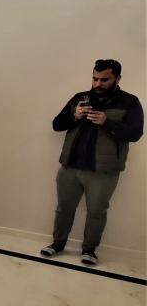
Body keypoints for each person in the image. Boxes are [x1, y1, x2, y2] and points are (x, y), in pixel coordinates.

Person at [40, 59, 143, 266]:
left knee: (96, 212)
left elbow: (135, 134)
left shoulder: (130, 102)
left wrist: (107, 122)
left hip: (103, 171)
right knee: (64, 208)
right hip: (70, 166)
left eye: (104, 80)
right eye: (95, 78)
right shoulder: (80, 98)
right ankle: (58, 244)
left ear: (118, 78)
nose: (98, 84)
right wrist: (74, 116)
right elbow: (56, 124)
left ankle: (89, 250)